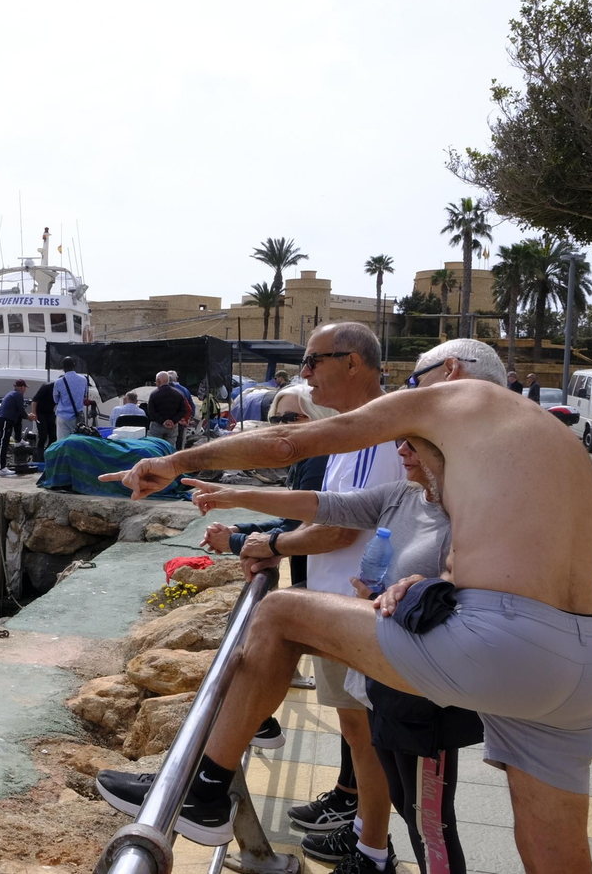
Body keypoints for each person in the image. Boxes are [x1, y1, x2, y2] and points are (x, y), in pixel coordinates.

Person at [97, 335, 592, 874]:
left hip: (496, 641)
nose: (409, 397)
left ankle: (207, 789)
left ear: (452, 370)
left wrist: (173, 462)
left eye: (417, 383)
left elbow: (288, 445)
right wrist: (434, 581)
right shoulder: (558, 445)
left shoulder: (464, 399)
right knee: (558, 854)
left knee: (279, 613)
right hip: (578, 661)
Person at [184, 435, 480, 874]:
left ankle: (209, 782)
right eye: (401, 442)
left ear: (446, 447)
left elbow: (472, 591)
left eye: (414, 444)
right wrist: (231, 495)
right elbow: (321, 505)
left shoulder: (470, 514)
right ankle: (369, 851)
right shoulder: (401, 495)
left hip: (423, 686)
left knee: (429, 821)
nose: (401, 451)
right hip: (385, 675)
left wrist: (420, 586)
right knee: (404, 800)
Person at [224, 324, 408, 870]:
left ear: (353, 363)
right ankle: (362, 831)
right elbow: (324, 510)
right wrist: (259, 532)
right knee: (357, 730)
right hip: (342, 601)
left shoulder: (376, 432)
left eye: (313, 361)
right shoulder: (352, 432)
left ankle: (371, 848)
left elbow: (341, 529)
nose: (304, 375)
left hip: (355, 606)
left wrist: (269, 543)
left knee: (366, 734)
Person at [203, 384, 332, 590]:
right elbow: (293, 518)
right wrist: (239, 530)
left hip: (323, 579)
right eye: (275, 419)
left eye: (291, 418)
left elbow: (299, 527)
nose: (281, 425)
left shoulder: (319, 460)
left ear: (319, 417)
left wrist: (233, 541)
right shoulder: (307, 458)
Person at [51, 357, 93, 440]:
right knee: (76, 441)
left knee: (62, 442)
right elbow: (84, 395)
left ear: (63, 367)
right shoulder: (83, 379)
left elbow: (56, 400)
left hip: (62, 416)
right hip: (77, 417)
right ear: (74, 366)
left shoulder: (59, 382)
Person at [146, 372, 189, 447]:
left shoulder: (154, 394)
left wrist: (163, 422)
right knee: (170, 448)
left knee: (156, 447)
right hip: (172, 427)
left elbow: (151, 412)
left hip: (157, 426)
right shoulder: (179, 393)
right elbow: (183, 410)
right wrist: (173, 421)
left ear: (158, 381)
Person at [0, 379, 30, 467]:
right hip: (5, 420)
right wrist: (28, 417)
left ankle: (18, 439)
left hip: (4, 419)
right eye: (25, 388)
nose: (25, 390)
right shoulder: (19, 395)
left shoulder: (12, 393)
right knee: (4, 443)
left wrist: (26, 416)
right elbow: (21, 410)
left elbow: (19, 414)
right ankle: (1, 467)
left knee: (17, 419)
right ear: (22, 387)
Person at [29, 380, 57, 461]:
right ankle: (40, 456)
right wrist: (34, 413)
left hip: (50, 412)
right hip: (40, 412)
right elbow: (34, 400)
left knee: (53, 436)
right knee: (43, 435)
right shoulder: (47, 386)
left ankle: (48, 453)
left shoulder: (61, 389)